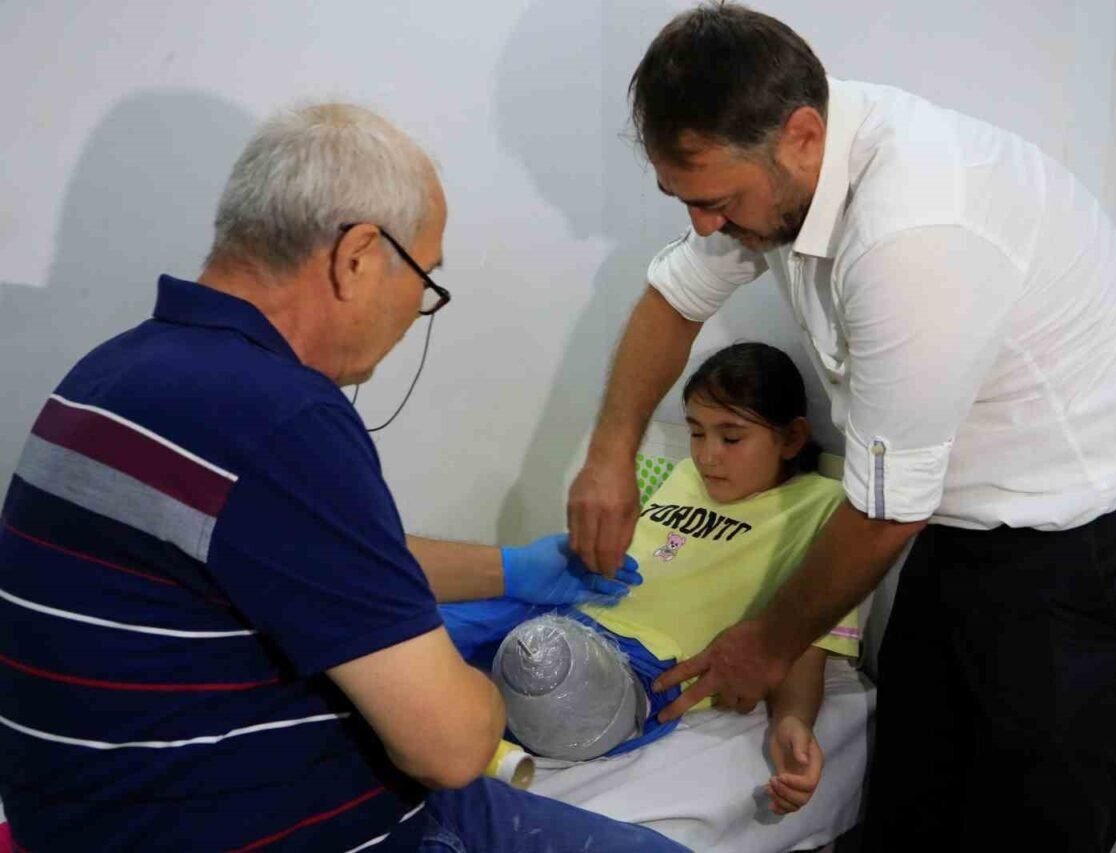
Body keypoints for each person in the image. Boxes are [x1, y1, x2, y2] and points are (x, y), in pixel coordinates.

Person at [566, 4, 1116, 851]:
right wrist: (609, 457)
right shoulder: (788, 166)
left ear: (800, 136)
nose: (704, 225)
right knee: (907, 813)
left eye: (716, 201)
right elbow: (675, 296)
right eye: (684, 199)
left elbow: (884, 511)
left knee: (1025, 831)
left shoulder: (916, 227)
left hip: (1095, 549)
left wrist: (766, 645)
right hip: (961, 529)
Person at [0, 102, 687, 852]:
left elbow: (316, 556)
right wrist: (486, 681)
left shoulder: (112, 374)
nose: (417, 311)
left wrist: (512, 569)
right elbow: (452, 750)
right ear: (356, 256)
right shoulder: (280, 417)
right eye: (424, 280)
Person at [444, 342, 859, 815]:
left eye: (731, 438)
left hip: (644, 662)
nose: (707, 456)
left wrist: (794, 720)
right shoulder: (683, 477)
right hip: (569, 611)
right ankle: (452, 695)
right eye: (696, 433)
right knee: (423, 624)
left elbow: (806, 638)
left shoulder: (824, 506)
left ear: (792, 438)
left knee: (547, 683)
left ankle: (463, 708)